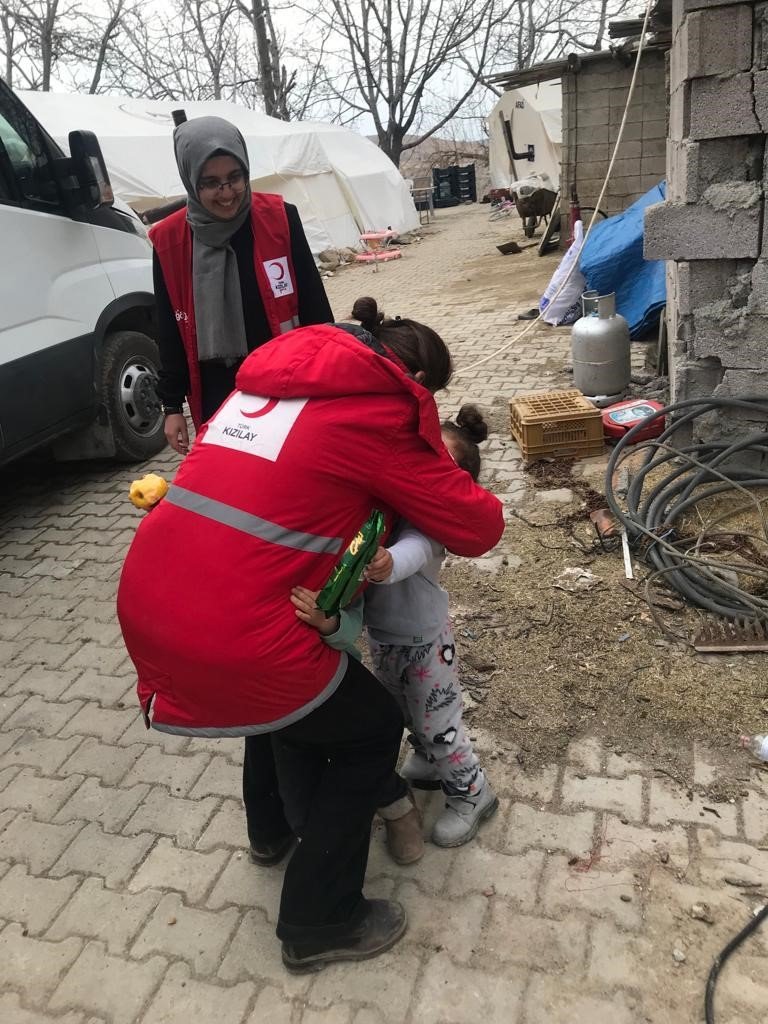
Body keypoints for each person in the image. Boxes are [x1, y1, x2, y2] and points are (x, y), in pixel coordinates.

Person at [117, 298, 504, 971]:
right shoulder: (376, 415)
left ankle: (270, 832)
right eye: (430, 400)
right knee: (370, 726)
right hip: (231, 631)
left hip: (153, 601)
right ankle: (319, 920)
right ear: (413, 384)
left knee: (281, 705)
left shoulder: (261, 388)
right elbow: (479, 526)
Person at [149, 115, 334, 867]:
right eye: (210, 183)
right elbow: (168, 326)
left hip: (291, 401)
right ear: (190, 184)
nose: (226, 194)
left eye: (234, 178)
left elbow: (314, 308)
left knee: (286, 541)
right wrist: (170, 404)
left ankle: (283, 802)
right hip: (225, 412)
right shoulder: (168, 240)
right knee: (249, 548)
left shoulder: (277, 219)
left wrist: (336, 386)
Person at [365, 404, 498, 849]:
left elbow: (416, 549)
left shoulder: (432, 520)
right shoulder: (391, 505)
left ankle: (473, 793)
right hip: (384, 638)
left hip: (425, 643)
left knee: (441, 725)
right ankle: (425, 757)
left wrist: (388, 562)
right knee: (402, 711)